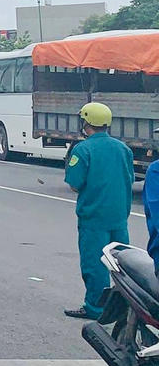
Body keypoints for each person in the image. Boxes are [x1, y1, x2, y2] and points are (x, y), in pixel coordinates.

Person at [63, 102, 133, 320]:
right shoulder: (124, 149)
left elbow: (75, 184)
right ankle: (127, 307)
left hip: (94, 217)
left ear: (86, 123)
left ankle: (95, 308)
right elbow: (129, 178)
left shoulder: (82, 150)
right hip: (119, 216)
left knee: (95, 264)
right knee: (122, 265)